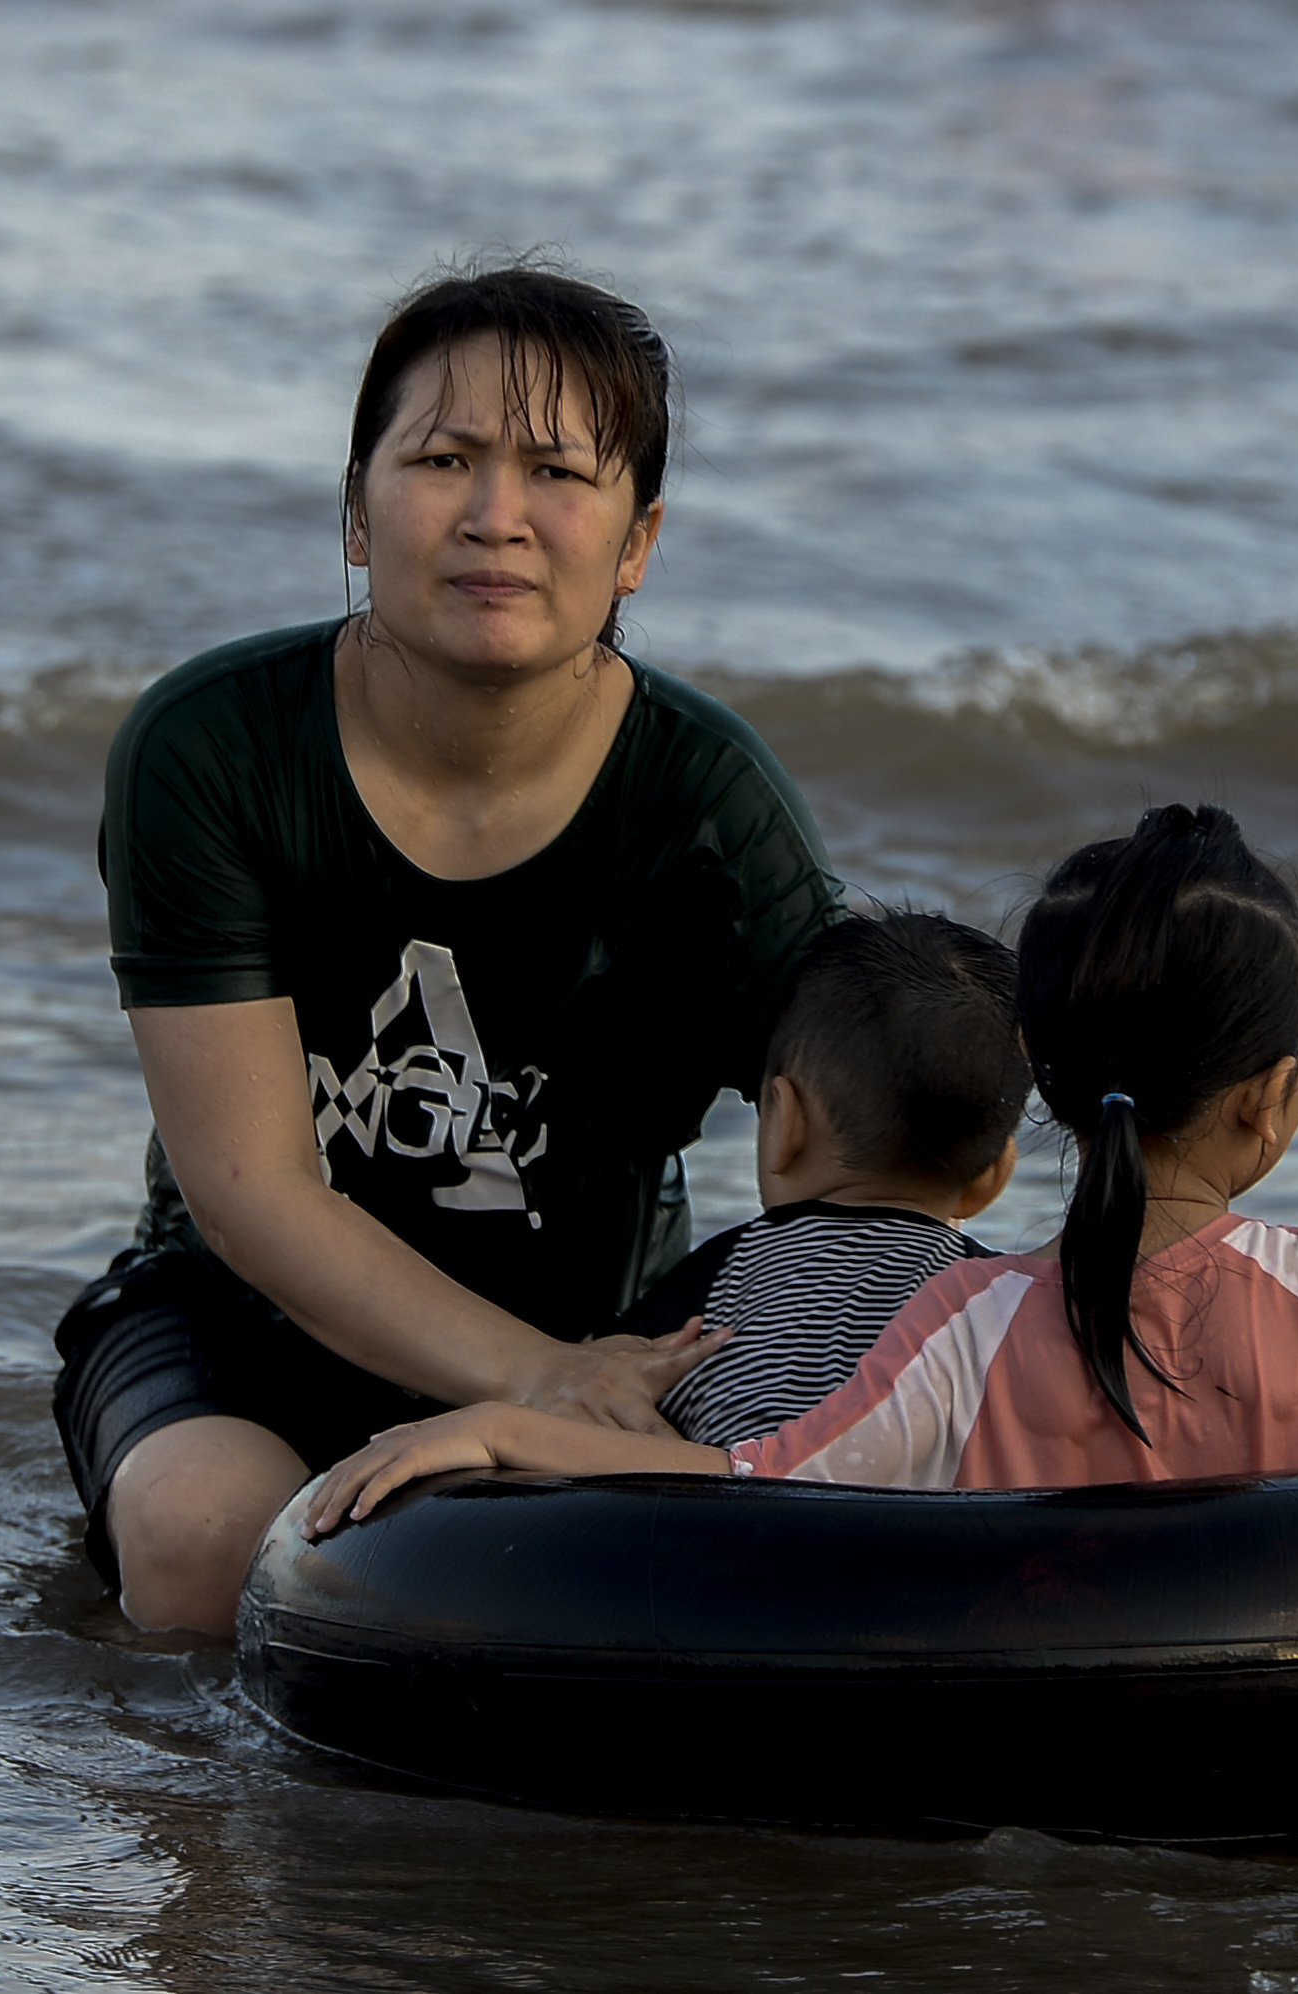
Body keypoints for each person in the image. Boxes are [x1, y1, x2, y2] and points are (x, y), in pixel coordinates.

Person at [306, 805, 1298, 1771]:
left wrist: (507, 1436)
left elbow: (739, 1488)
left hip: (1005, 1773)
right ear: (1277, 1093)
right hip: (1284, 1768)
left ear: (1040, 1086)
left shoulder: (965, 1324)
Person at [51, 261, 845, 1634]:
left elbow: (864, 1140)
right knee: (201, 1551)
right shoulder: (209, 748)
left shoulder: (708, 805)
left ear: (636, 540)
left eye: (556, 472)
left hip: (605, 1332)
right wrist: (532, 1380)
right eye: (442, 459)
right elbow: (247, 1191)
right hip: (238, 1322)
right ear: (355, 514)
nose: (495, 518)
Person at [615, 910, 1029, 1448]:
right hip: (929, 1529)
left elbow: (604, 1381)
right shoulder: (995, 1299)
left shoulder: (723, 1275)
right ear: (994, 1175)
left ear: (786, 1122)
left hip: (731, 1522)